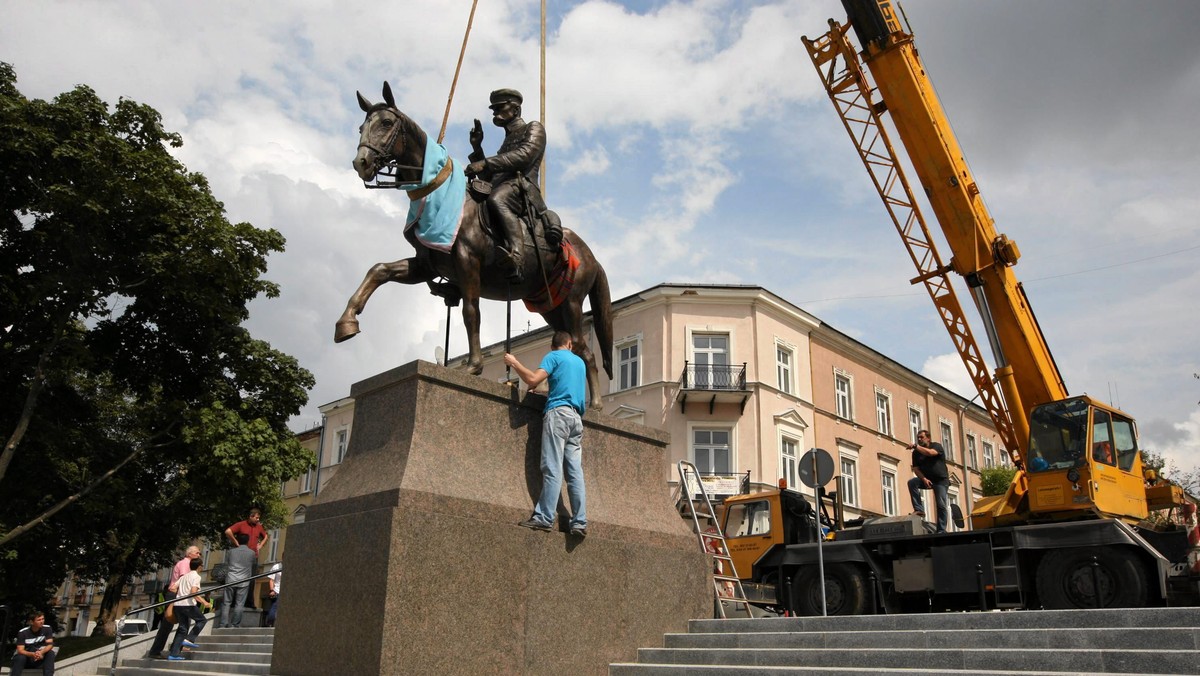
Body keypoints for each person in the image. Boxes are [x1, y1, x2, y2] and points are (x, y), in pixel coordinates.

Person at [504, 330, 588, 537]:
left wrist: (514, 362)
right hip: (576, 420)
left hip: (558, 416)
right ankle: (579, 522)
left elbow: (533, 379)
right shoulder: (579, 363)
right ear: (570, 344)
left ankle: (544, 517)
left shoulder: (553, 356)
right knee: (575, 473)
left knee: (552, 467)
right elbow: (564, 388)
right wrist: (544, 392)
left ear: (553, 346)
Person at [465, 88, 548, 282]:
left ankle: (517, 257)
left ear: (516, 110)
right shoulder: (506, 141)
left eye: (500, 108)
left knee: (497, 199)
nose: (495, 113)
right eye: (494, 109)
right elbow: (489, 175)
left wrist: (485, 162)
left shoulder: (533, 128)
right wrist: (477, 148)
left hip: (521, 189)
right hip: (502, 185)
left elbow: (524, 156)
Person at [147, 545, 201, 659]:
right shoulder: (185, 564)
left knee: (180, 624)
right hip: (177, 595)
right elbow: (183, 582)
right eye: (197, 553)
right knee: (170, 623)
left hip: (178, 595)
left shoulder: (187, 564)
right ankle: (163, 650)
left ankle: (173, 650)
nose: (199, 555)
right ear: (189, 554)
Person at [168, 557, 213, 662]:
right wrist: (204, 602)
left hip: (178, 604)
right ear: (199, 567)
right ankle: (189, 639)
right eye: (202, 565)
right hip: (188, 604)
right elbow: (193, 592)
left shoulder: (184, 577)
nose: (202, 567)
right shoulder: (196, 577)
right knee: (202, 620)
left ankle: (173, 654)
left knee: (182, 629)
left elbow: (172, 588)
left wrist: (181, 592)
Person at [908, 429, 950, 533]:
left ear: (928, 438)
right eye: (918, 437)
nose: (919, 439)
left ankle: (941, 530)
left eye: (921, 437)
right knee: (912, 482)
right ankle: (919, 509)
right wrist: (924, 479)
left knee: (941, 504)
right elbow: (916, 468)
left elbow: (930, 453)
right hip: (928, 480)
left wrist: (915, 446)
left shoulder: (936, 446)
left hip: (941, 481)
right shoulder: (916, 453)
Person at [217, 533, 257, 629]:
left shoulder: (231, 552)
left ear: (237, 541)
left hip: (231, 579)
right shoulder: (252, 553)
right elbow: (253, 565)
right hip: (244, 580)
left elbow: (227, 564)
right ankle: (235, 624)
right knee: (240, 603)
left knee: (226, 602)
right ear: (248, 541)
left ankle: (223, 624)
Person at [11, 611, 54, 675]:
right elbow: (20, 650)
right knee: (20, 657)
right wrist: (32, 654)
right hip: (26, 658)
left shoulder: (47, 628)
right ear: (31, 622)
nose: (42, 621)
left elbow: (50, 644)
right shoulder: (23, 632)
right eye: (39, 620)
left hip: (39, 656)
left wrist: (41, 652)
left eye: (43, 619)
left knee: (50, 653)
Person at [265, 556, 282, 627]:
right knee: (274, 608)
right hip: (277, 591)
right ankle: (270, 623)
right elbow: (271, 579)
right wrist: (272, 590)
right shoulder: (276, 567)